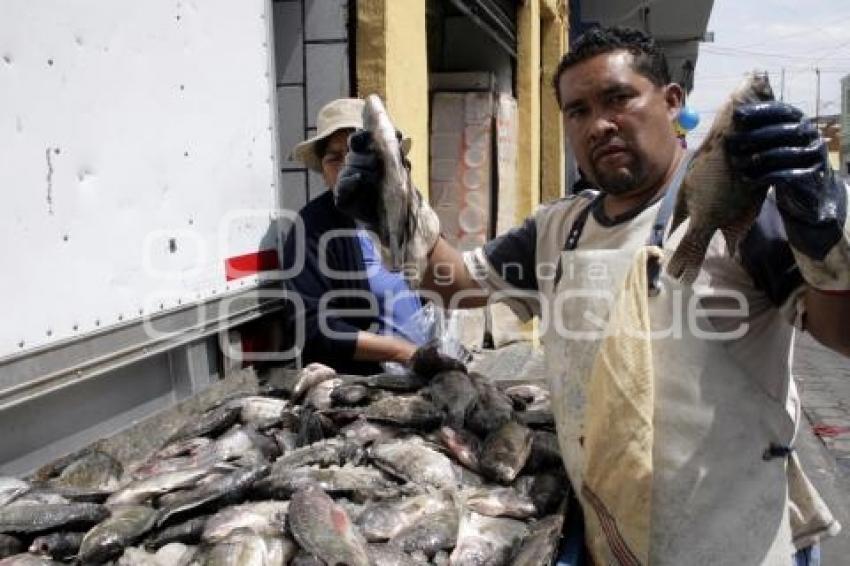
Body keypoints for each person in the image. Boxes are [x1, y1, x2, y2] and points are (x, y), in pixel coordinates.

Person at [334, 27, 849, 565]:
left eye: (619, 98)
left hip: (734, 538)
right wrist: (392, 216)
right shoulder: (558, 228)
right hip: (613, 533)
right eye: (577, 110)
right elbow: (455, 284)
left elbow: (841, 334)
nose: (599, 124)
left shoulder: (743, 212)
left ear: (672, 102)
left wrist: (823, 235)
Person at [281, 98, 429, 375]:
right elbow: (312, 326)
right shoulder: (312, 227)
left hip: (423, 371)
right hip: (369, 389)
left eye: (357, 154)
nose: (346, 166)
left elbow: (433, 281)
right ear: (323, 171)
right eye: (334, 158)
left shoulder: (406, 209)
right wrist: (402, 352)